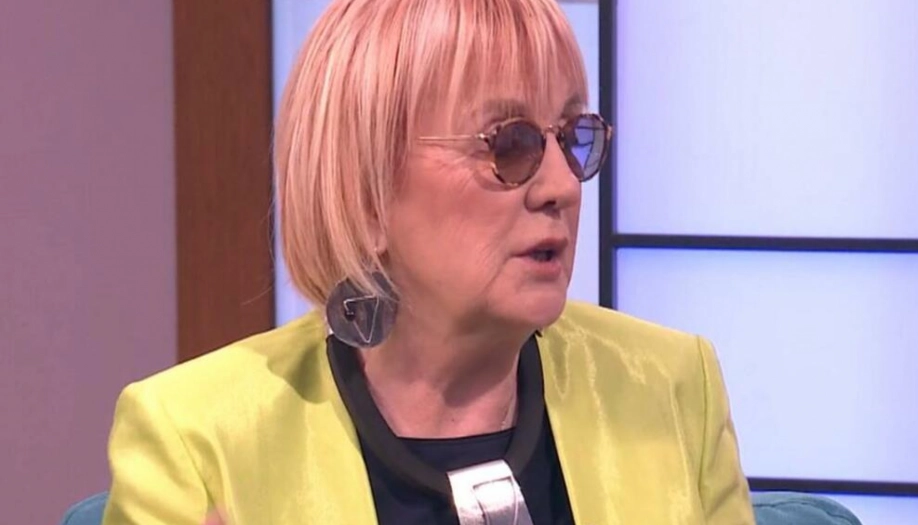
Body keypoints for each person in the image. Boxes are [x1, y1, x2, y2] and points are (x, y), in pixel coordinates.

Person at [102, 0, 755, 523]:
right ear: (365, 191)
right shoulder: (197, 442)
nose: (562, 186)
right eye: (510, 145)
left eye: (572, 137)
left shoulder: (672, 388)